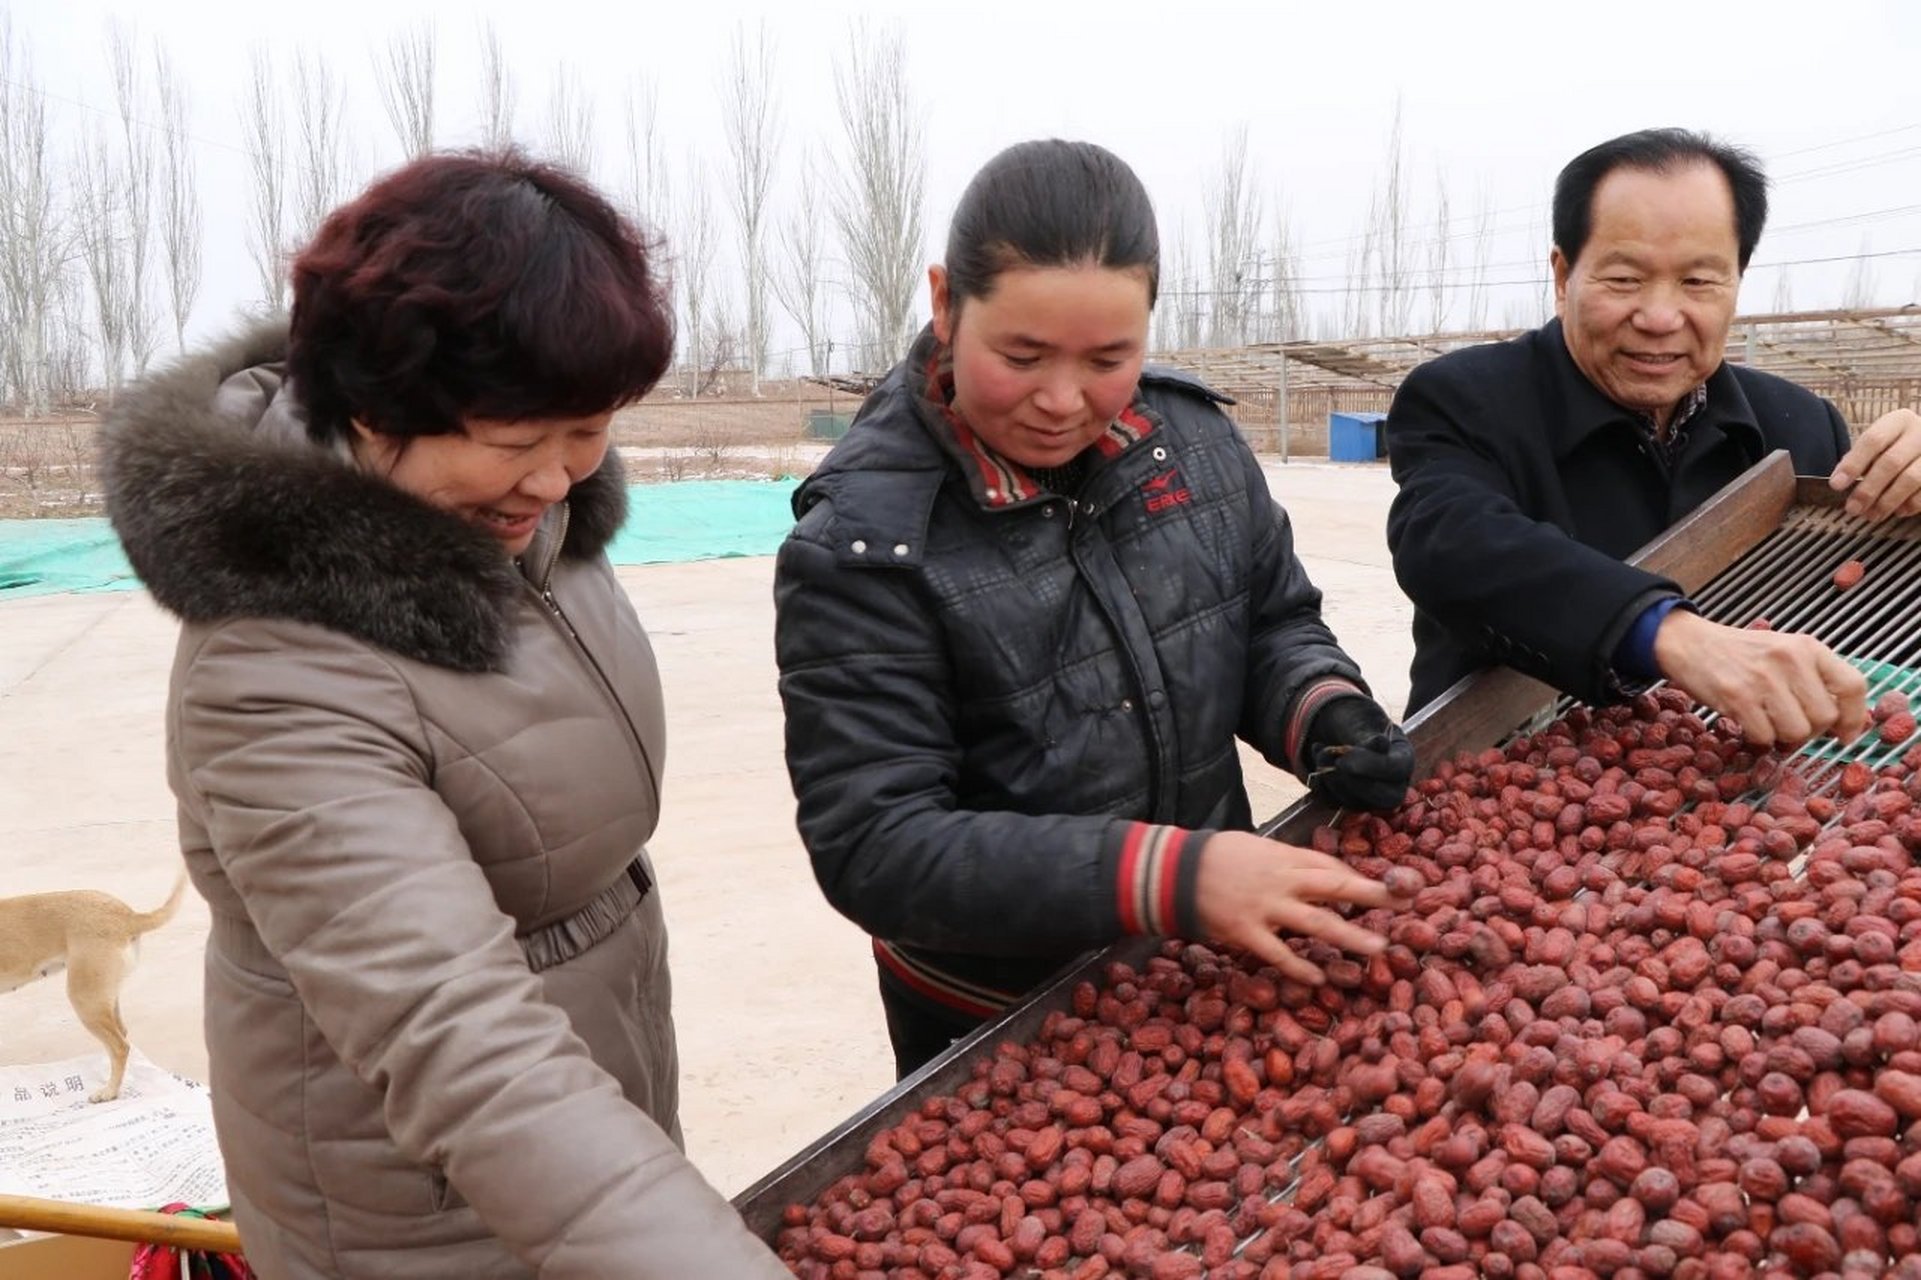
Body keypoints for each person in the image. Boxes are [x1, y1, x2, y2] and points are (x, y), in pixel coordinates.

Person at [100, 152, 787, 1279]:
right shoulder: (274, 671)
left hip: (576, 1144)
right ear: (375, 408)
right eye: (520, 443)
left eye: (591, 431)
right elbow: (455, 1034)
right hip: (413, 1209)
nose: (561, 478)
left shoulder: (516, 526)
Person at [774, 139, 1415, 1080]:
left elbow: (1267, 622)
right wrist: (1173, 877)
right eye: (1021, 355)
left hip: (1200, 967)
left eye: (1109, 358)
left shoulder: (1190, 442)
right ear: (946, 303)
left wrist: (1322, 710)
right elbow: (878, 846)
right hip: (997, 1016)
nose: (1062, 401)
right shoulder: (867, 541)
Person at [1387, 126, 1921, 743]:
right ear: (1564, 275)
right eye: (1624, 279)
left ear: (1736, 283)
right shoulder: (1466, 397)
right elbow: (1450, 542)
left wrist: (1905, 492)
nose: (1661, 317)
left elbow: (1862, 616)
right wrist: (1663, 632)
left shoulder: (1800, 422)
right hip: (1519, 783)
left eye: (1699, 282)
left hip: (1753, 789)